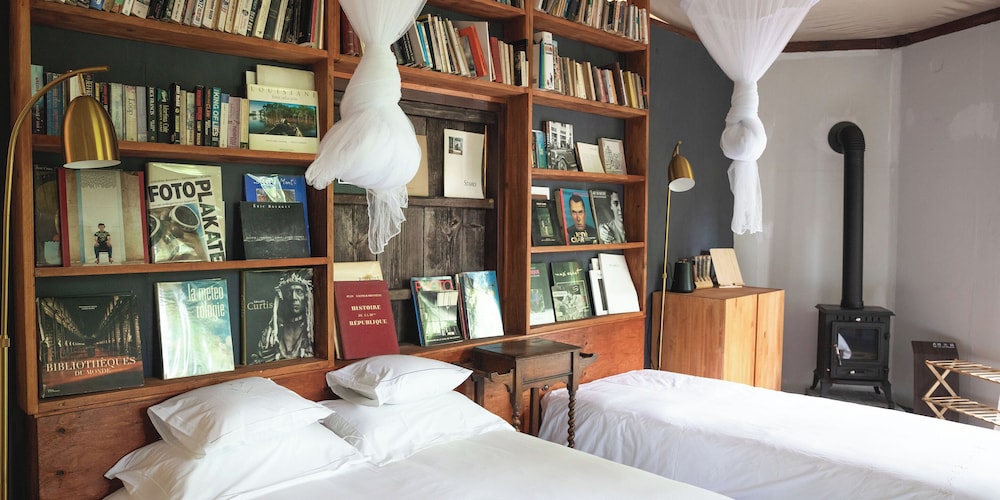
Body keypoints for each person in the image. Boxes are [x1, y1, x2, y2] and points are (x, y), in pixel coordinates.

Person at [254, 270, 314, 363]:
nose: (294, 297)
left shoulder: (312, 332)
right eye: (289, 292)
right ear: (282, 297)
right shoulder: (271, 334)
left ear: (307, 296)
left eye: (299, 292)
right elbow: (260, 361)